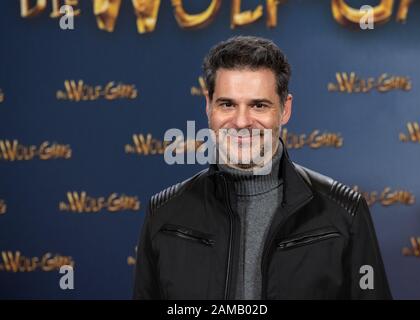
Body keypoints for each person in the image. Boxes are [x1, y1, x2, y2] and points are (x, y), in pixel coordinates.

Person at [133, 36, 392, 300]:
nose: (242, 121)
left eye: (258, 105)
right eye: (227, 104)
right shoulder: (164, 214)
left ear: (285, 109)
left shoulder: (345, 213)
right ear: (208, 106)